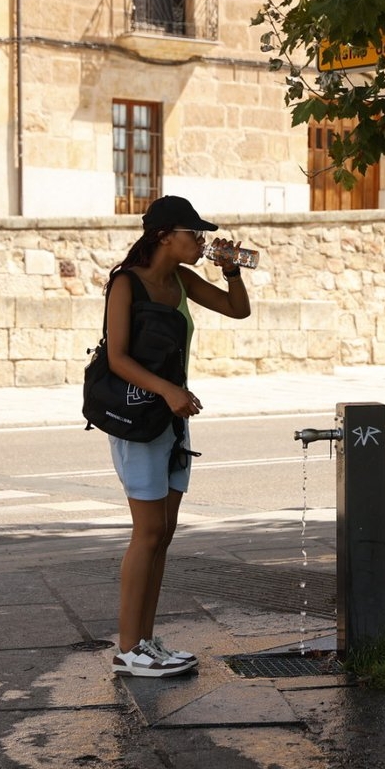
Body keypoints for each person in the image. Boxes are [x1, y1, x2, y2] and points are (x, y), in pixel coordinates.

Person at [102, 195, 251, 678]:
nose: (202, 241)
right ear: (165, 235)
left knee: (162, 535)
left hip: (173, 414)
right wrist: (168, 391)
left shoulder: (181, 280)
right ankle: (129, 648)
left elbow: (237, 309)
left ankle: (145, 641)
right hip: (139, 415)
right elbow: (117, 359)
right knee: (146, 533)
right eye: (194, 233)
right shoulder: (127, 283)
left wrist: (231, 270)